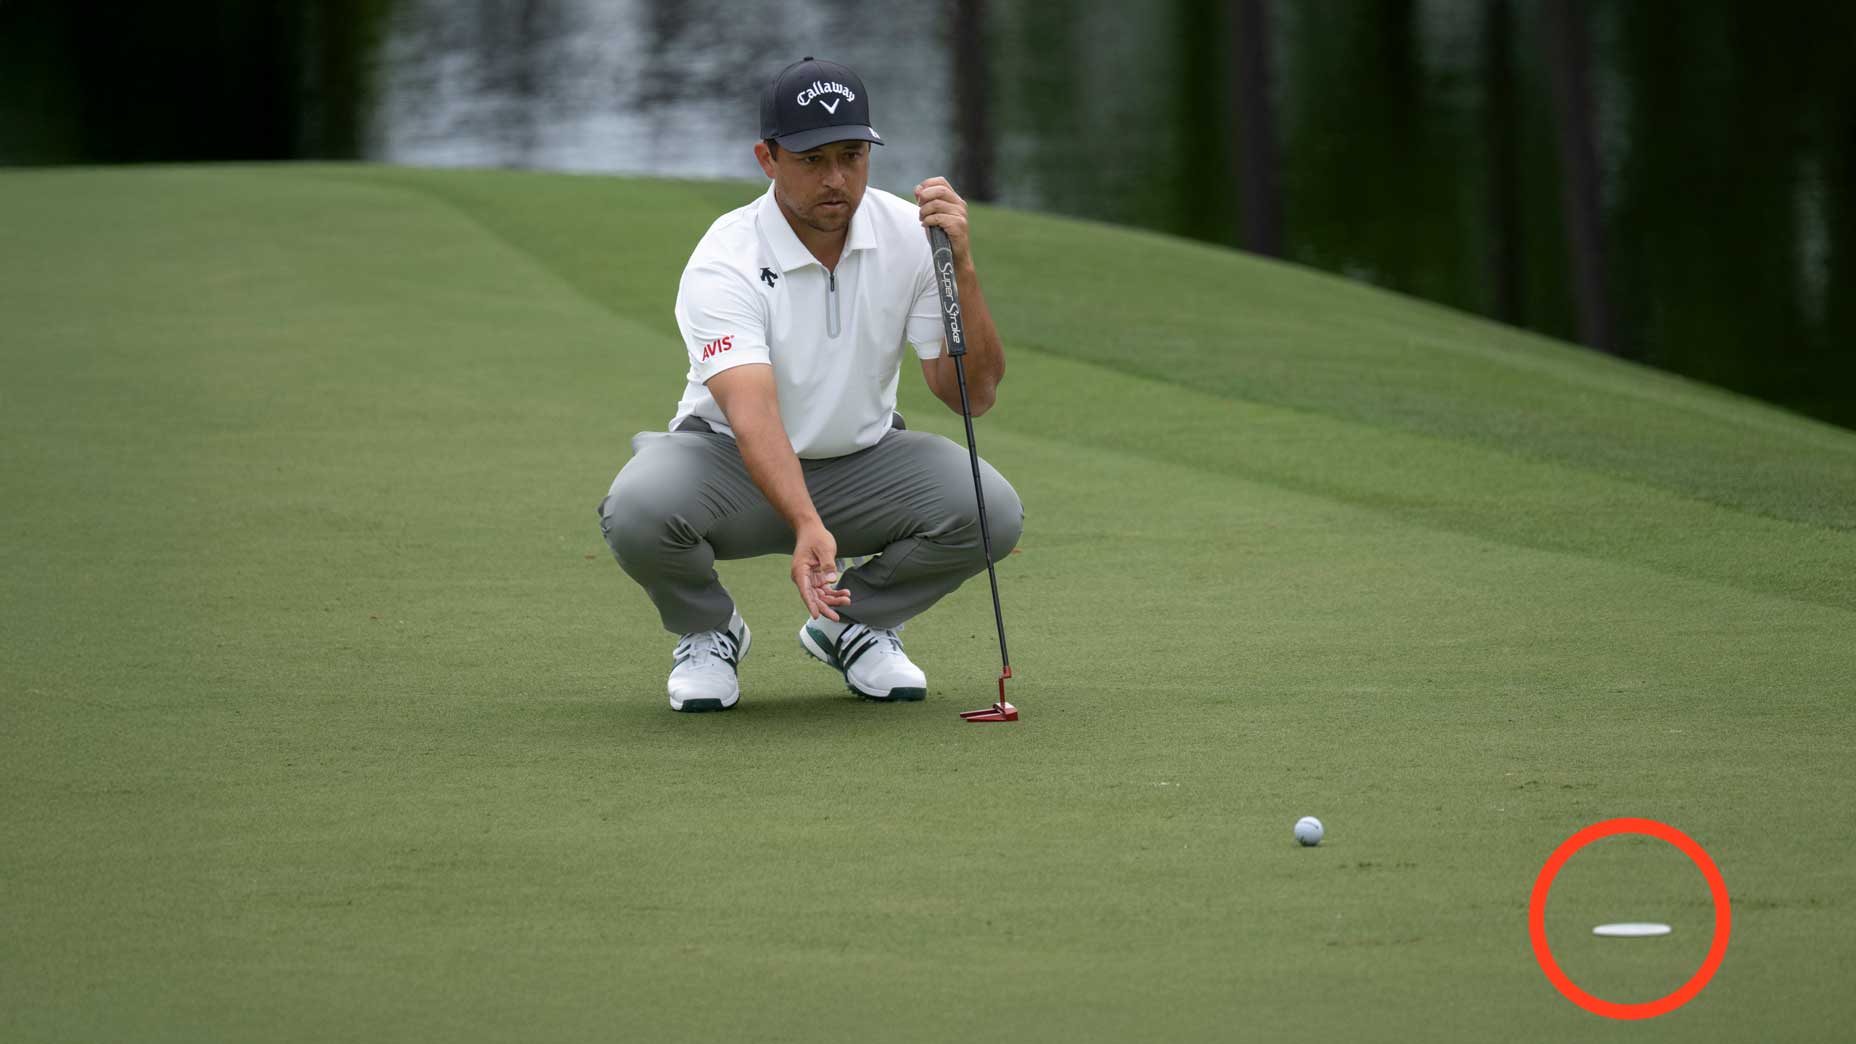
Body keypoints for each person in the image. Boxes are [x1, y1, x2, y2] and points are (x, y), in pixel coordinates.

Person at [596, 56, 1023, 712]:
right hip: (730, 465)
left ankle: (852, 625)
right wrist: (803, 521)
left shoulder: (910, 239)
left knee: (990, 509)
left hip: (862, 464)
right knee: (639, 509)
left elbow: (973, 394)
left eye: (852, 155)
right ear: (767, 159)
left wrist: (961, 267)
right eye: (812, 159)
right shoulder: (725, 257)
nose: (836, 179)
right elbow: (752, 412)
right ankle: (709, 632)